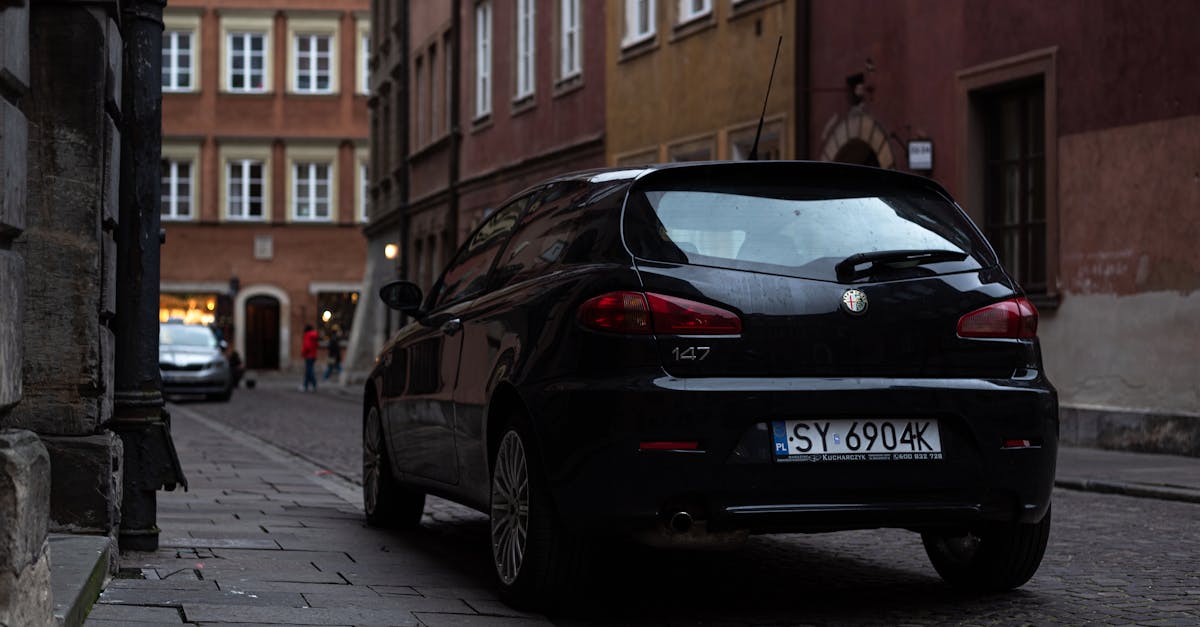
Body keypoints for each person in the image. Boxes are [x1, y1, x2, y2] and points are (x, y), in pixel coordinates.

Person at [300, 324, 319, 391]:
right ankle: (305, 385)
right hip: (313, 355)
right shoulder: (314, 335)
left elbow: (306, 346)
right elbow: (317, 345)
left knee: (309, 371)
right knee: (308, 371)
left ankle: (314, 384)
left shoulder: (307, 335)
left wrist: (303, 353)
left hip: (308, 355)